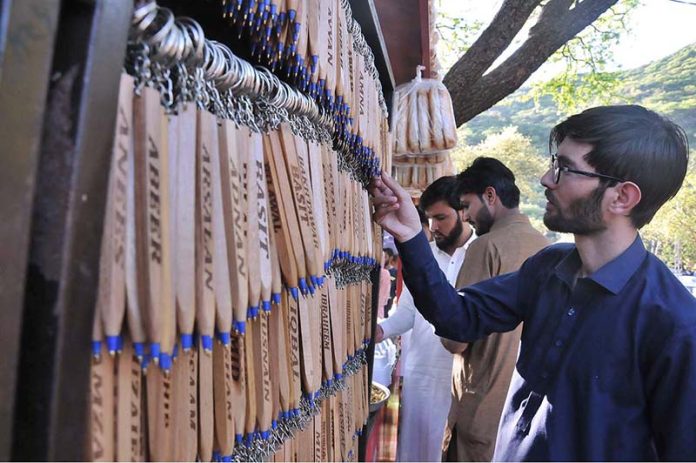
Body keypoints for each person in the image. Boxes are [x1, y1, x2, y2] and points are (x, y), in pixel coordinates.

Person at [369, 105, 696, 461]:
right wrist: (412, 236)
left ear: (622, 197)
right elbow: (457, 317)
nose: (545, 178)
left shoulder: (674, 325)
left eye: (564, 168)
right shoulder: (548, 268)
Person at [439, 157, 549, 461]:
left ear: (490, 196)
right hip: (521, 413)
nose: (465, 216)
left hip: (480, 407)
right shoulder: (546, 248)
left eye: (466, 205)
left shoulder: (485, 247)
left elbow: (455, 336)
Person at [374, 176, 475, 462]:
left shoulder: (480, 255)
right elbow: (408, 312)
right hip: (420, 376)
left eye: (441, 217)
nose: (434, 227)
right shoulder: (424, 255)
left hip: (457, 377)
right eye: (429, 219)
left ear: (463, 212)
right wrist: (382, 330)